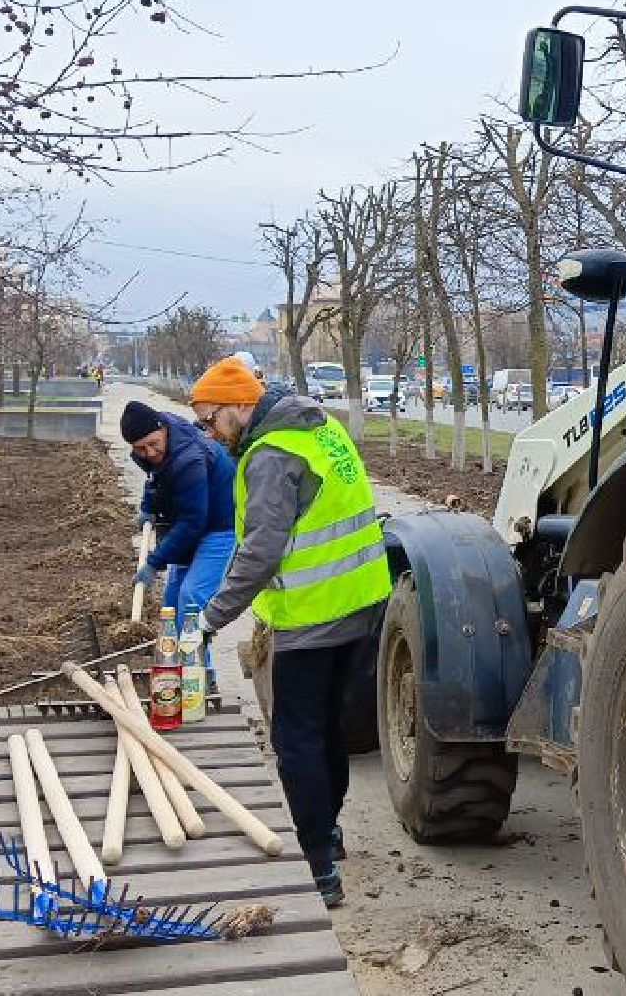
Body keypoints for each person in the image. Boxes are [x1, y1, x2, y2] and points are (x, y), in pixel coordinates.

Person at [185, 356, 389, 908]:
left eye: (210, 419)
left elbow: (260, 553)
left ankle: (319, 866)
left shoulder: (271, 455)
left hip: (311, 615)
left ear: (241, 405)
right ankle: (330, 833)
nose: (209, 431)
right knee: (329, 729)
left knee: (296, 739)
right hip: (364, 602)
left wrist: (209, 619)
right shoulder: (320, 427)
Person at [123, 400, 236, 672]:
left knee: (192, 598)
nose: (149, 452)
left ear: (162, 429)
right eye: (140, 448)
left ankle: (197, 675)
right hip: (195, 521)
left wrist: (154, 561)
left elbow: (191, 522)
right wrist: (148, 509)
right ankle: (173, 670)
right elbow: (156, 479)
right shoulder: (157, 445)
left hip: (221, 526)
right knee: (171, 603)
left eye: (153, 444)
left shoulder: (189, 459)